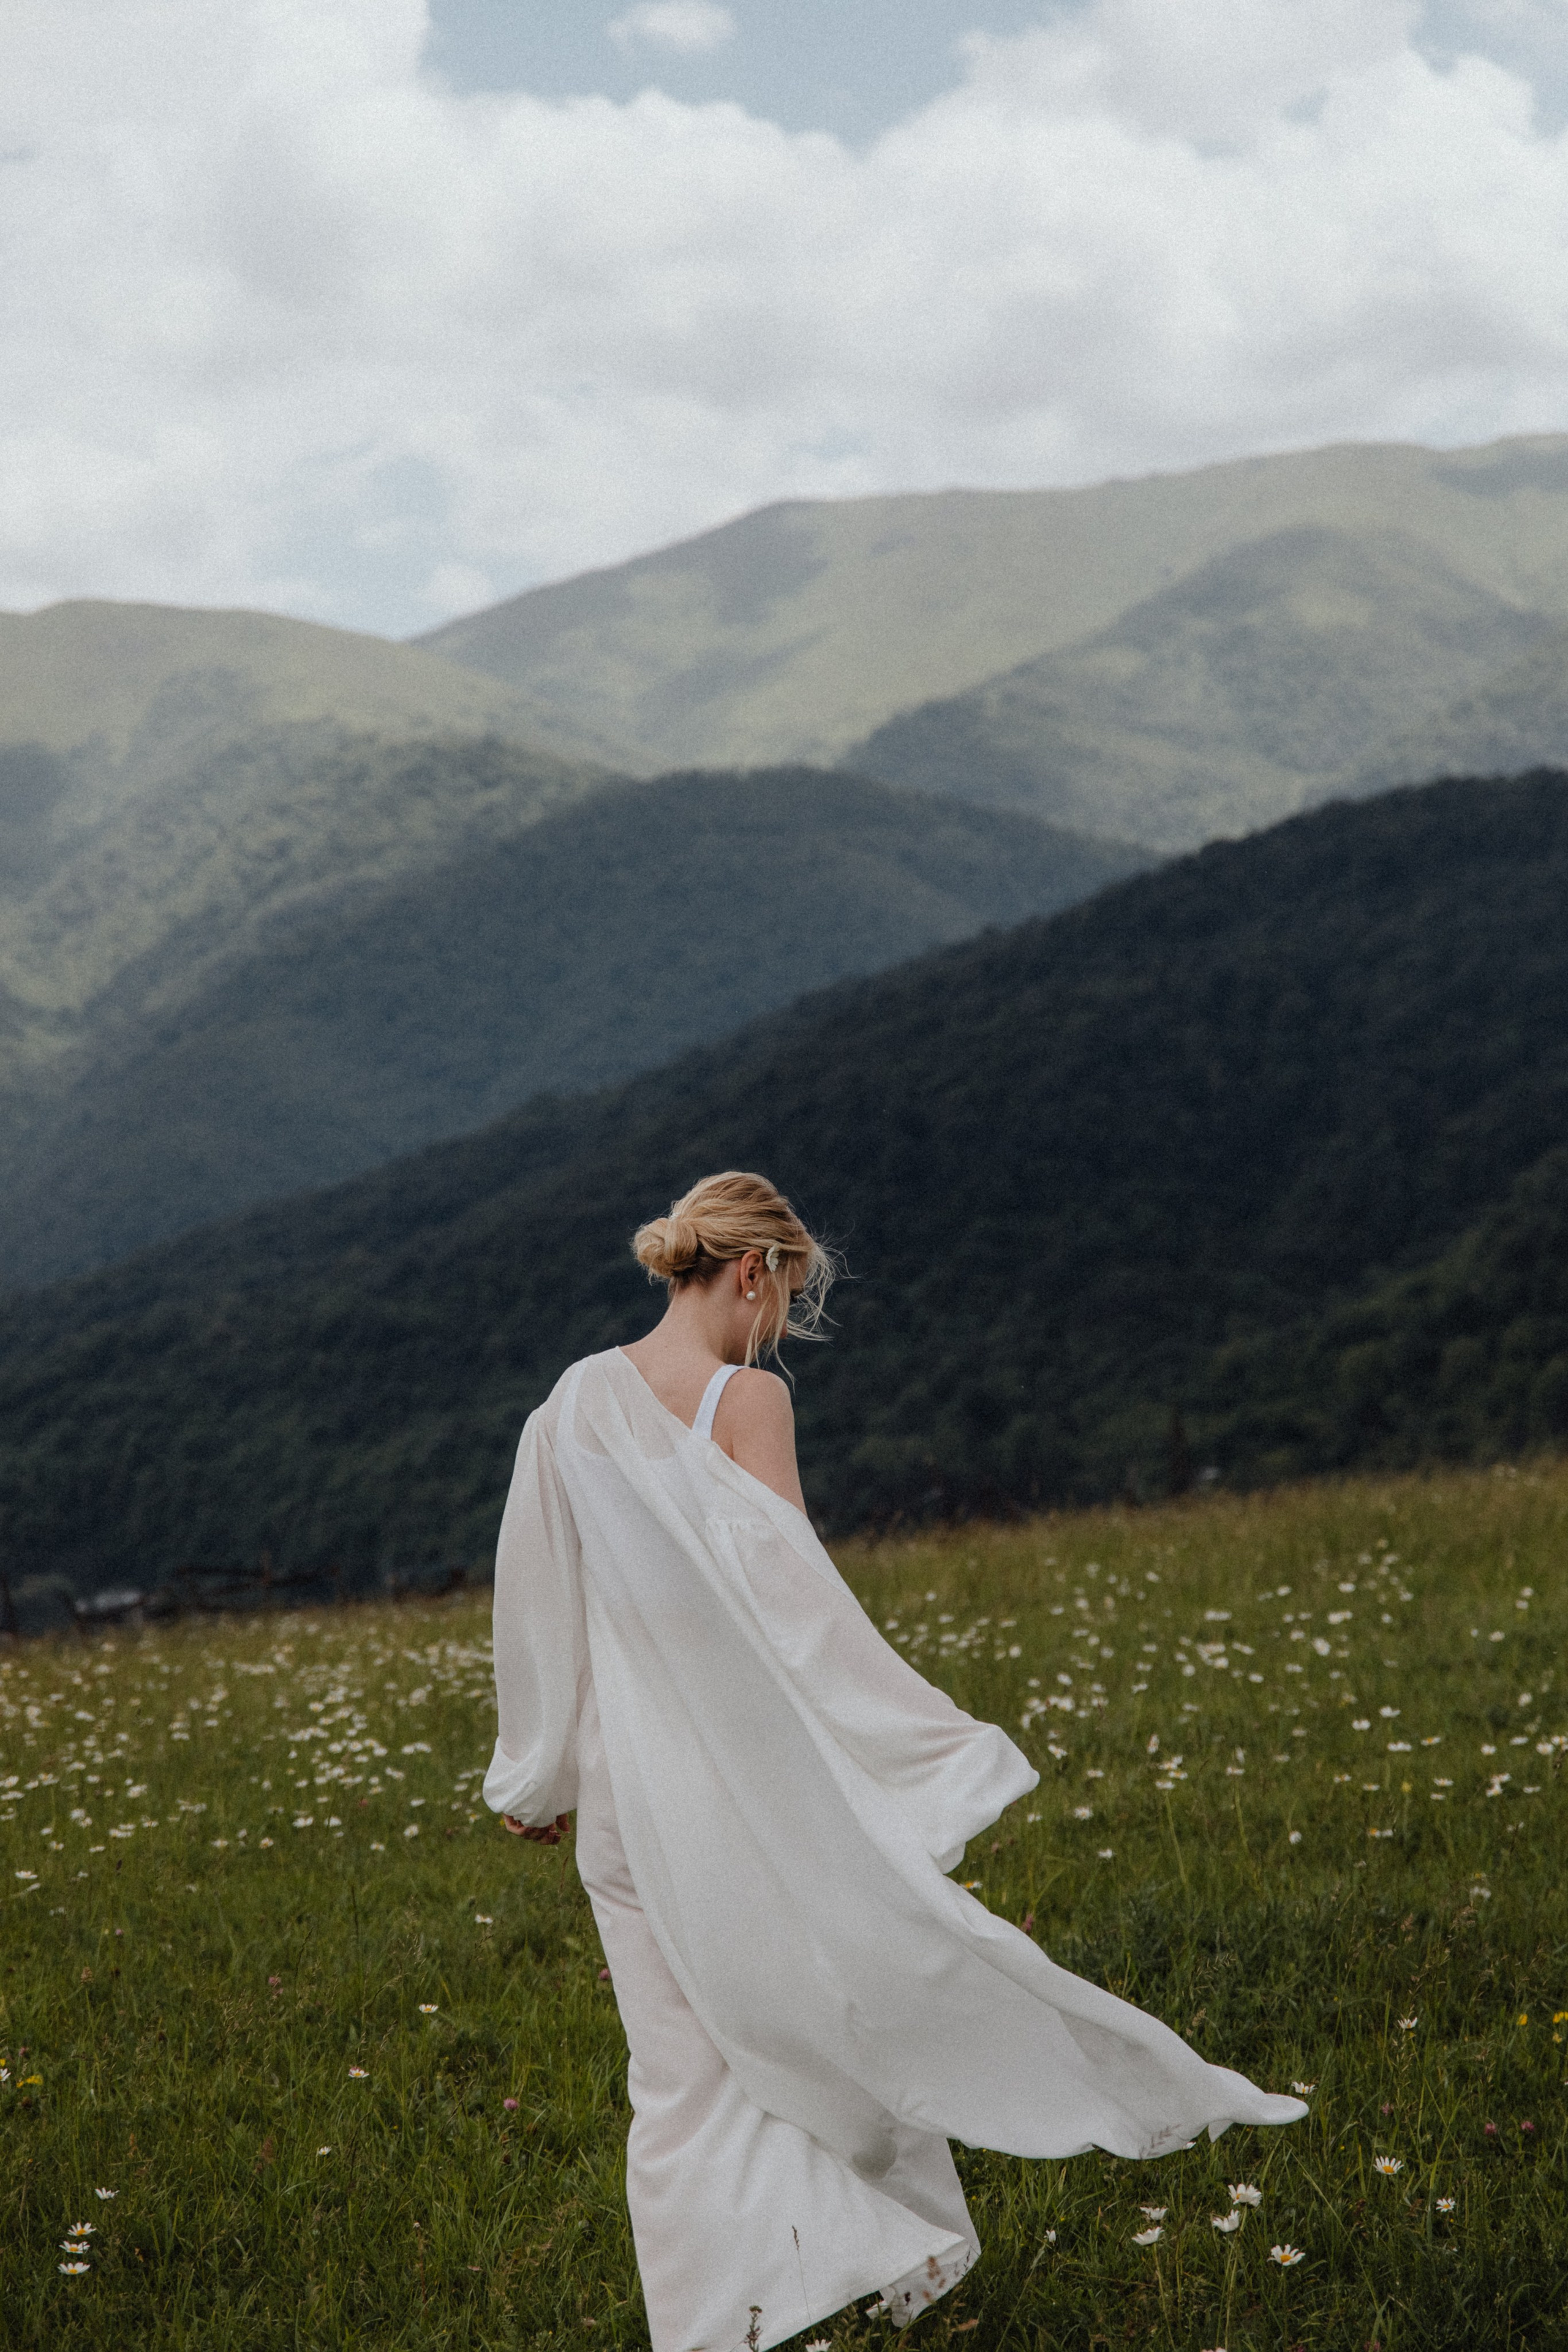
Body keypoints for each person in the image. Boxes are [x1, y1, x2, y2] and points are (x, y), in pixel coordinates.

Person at [484, 1170, 1305, 2352]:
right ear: (755, 1272)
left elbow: (538, 1601)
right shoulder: (746, 1400)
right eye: (787, 1295)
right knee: (824, 2017)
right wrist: (931, 1750)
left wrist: (535, 1773)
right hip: (732, 1790)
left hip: (621, 1795)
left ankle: (723, 2323)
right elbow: (799, 1609)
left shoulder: (570, 1405)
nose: (780, 1324)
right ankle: (837, 2269)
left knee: (675, 2078)